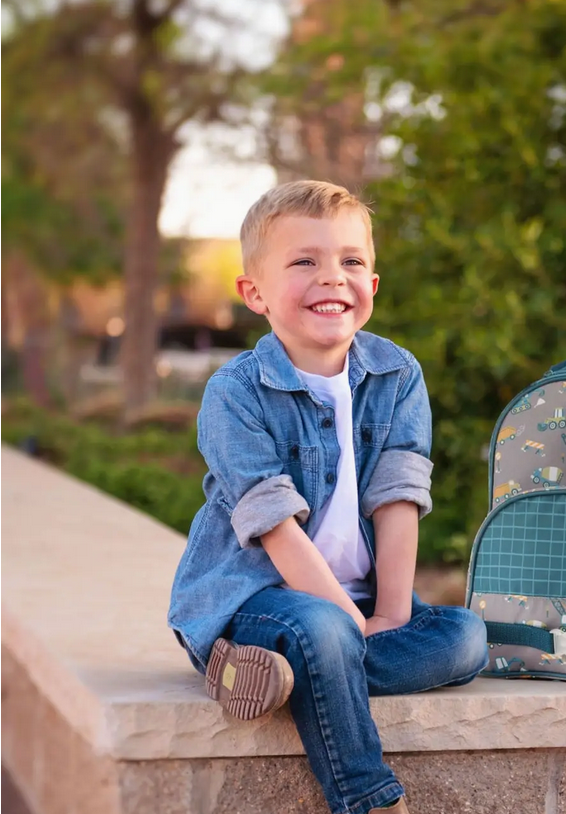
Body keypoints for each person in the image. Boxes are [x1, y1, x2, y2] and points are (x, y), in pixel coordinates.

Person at [168, 180, 489, 814]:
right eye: (304, 261)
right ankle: (368, 798)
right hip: (255, 601)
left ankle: (280, 679)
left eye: (351, 260)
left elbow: (398, 497)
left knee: (468, 637)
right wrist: (345, 620)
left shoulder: (396, 375)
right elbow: (274, 525)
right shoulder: (236, 392)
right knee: (323, 629)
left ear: (373, 283)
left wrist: (392, 614)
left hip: (359, 605)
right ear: (254, 293)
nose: (331, 277)